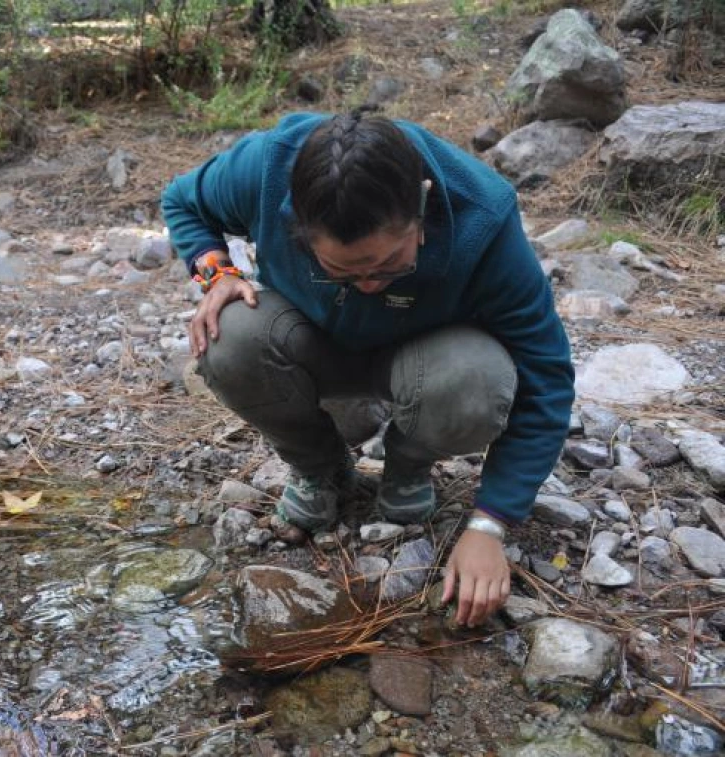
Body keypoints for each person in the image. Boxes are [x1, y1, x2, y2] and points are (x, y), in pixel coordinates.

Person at [161, 110, 574, 627]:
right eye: (343, 271)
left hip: (427, 360)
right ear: (299, 226)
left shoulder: (483, 216)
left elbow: (546, 375)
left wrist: (490, 524)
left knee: (479, 377)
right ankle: (320, 469)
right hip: (312, 342)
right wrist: (216, 272)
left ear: (421, 205)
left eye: (388, 265)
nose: (370, 284)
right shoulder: (266, 169)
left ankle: (409, 464)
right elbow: (182, 200)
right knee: (227, 338)